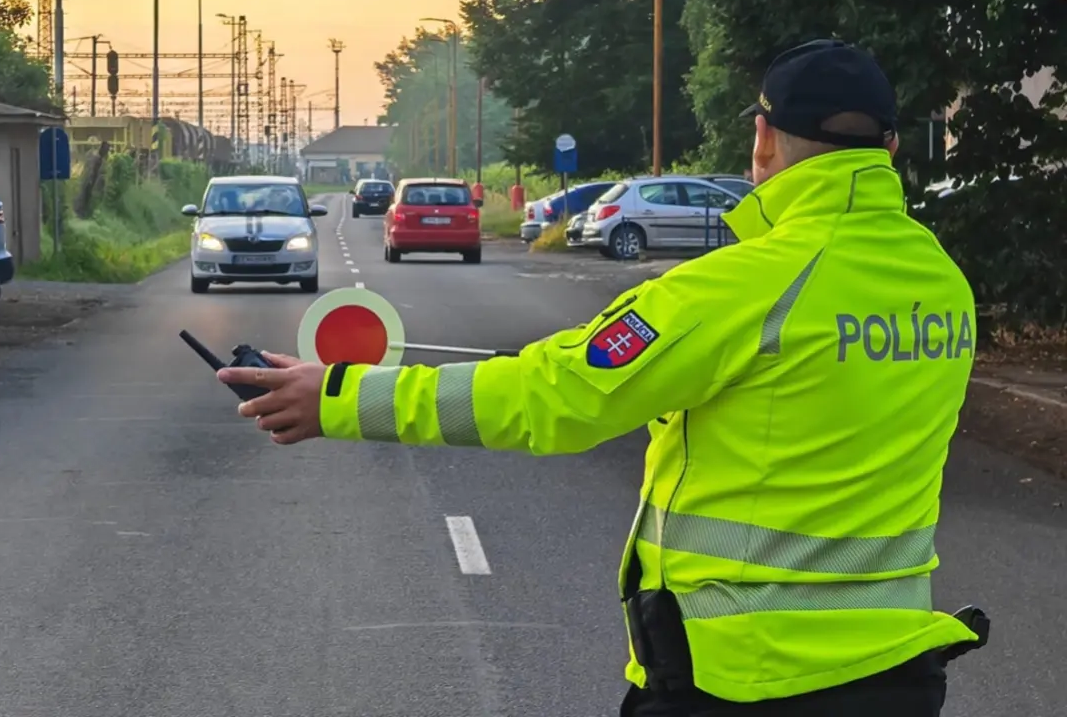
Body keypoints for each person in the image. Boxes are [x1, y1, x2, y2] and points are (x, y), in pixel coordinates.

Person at [217, 39, 988, 715]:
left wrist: (343, 397)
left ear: (762, 141)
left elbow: (554, 398)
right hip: (898, 675)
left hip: (742, 681)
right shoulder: (942, 284)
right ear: (888, 149)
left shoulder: (738, 288)